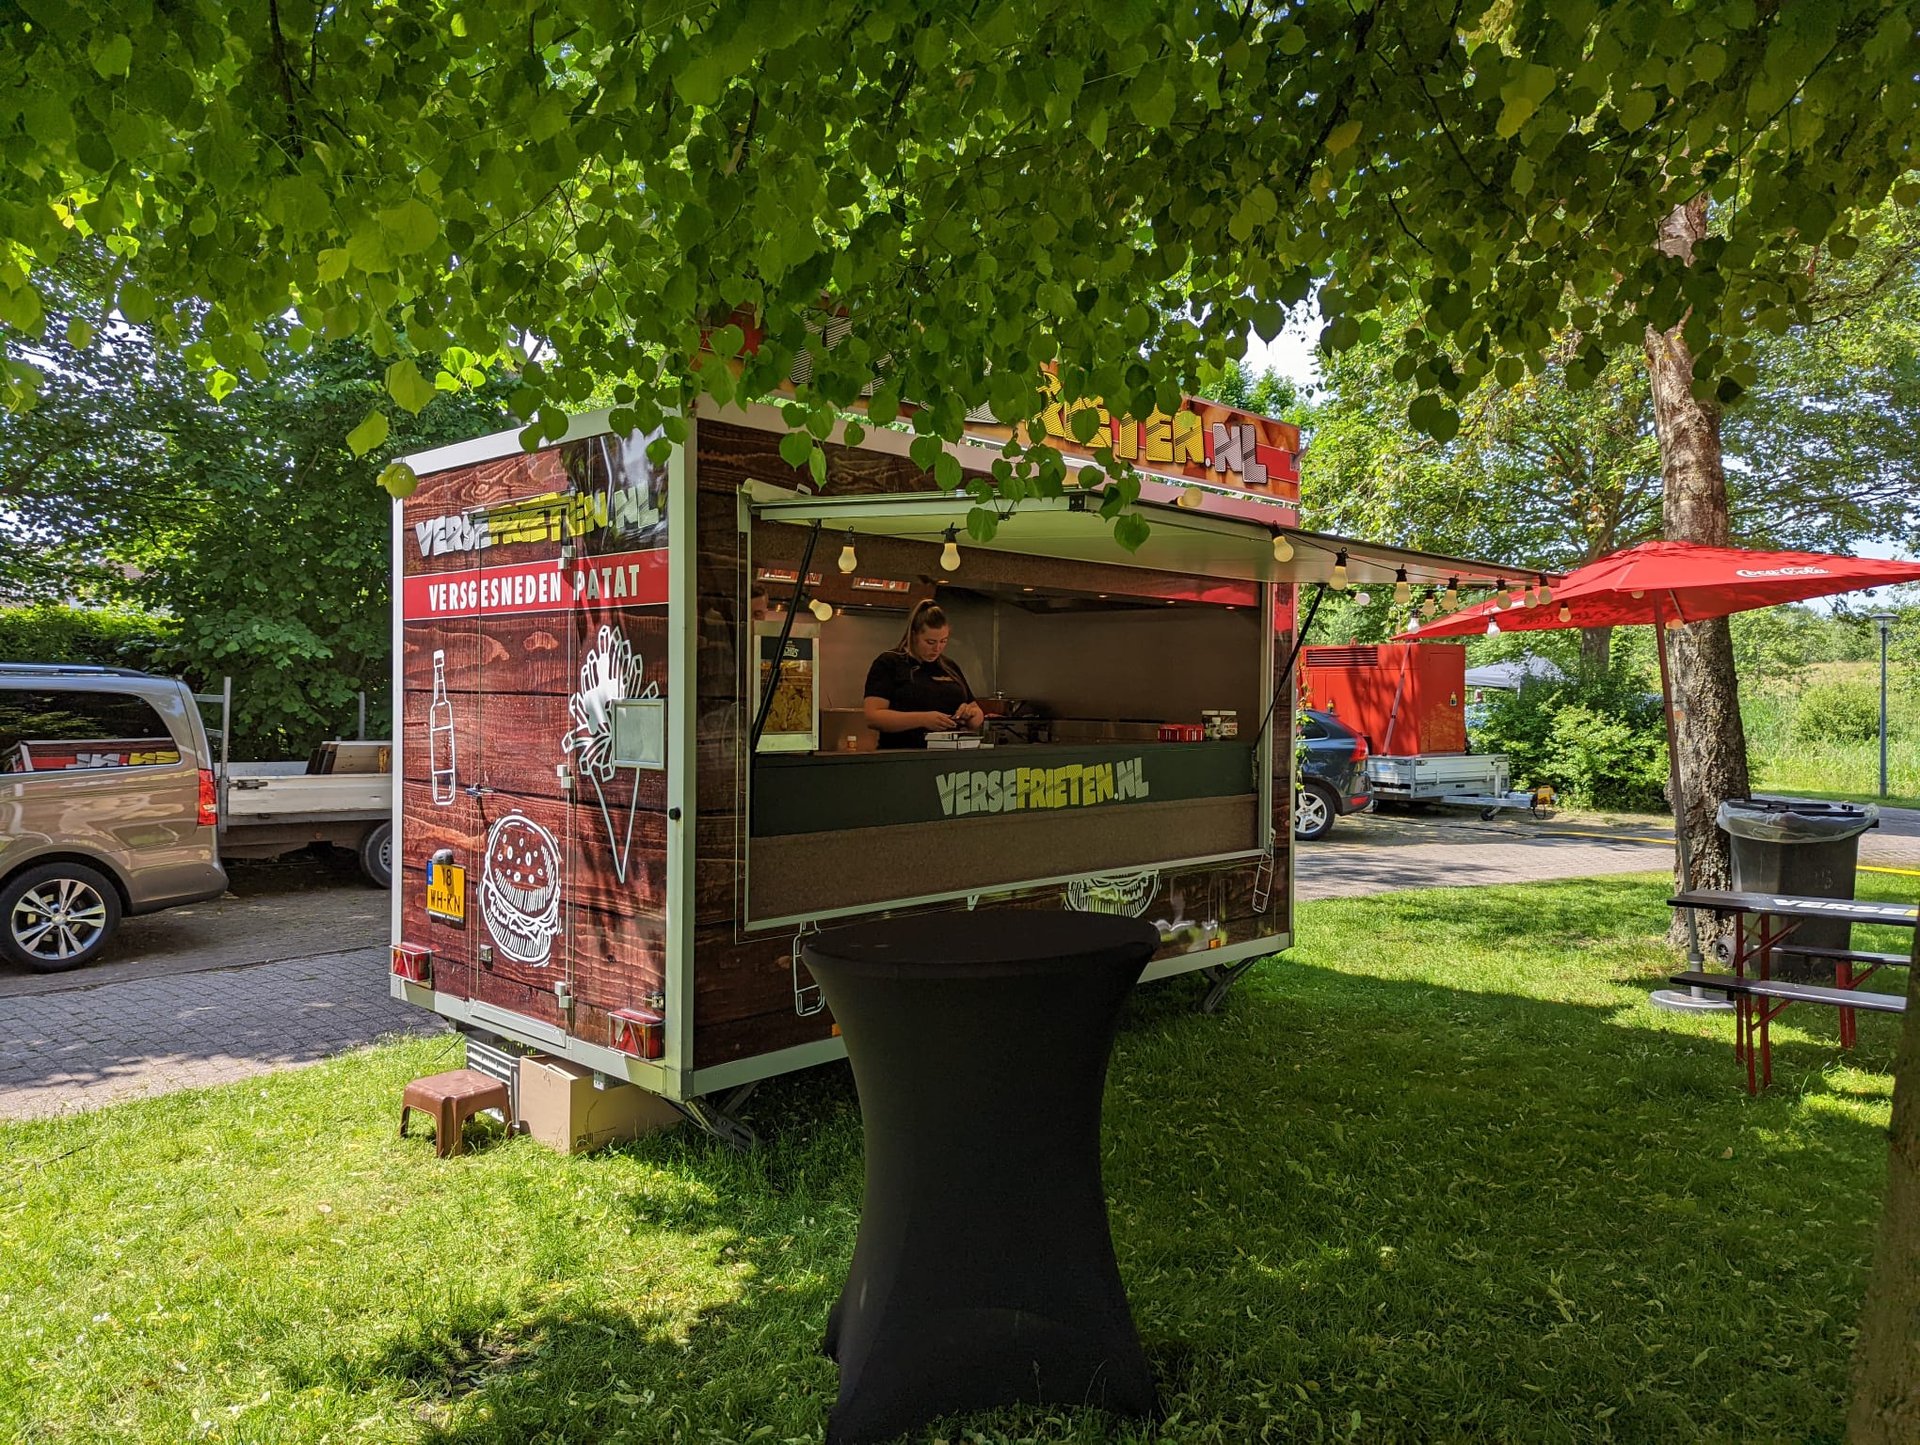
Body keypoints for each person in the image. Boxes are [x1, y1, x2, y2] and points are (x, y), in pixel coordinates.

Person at [863, 599, 985, 749]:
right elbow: (873, 717)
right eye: (930, 642)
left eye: (943, 641)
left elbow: (977, 714)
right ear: (914, 635)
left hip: (949, 756)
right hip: (904, 754)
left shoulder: (949, 666)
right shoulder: (890, 662)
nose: (937, 648)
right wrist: (923, 719)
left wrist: (971, 714)